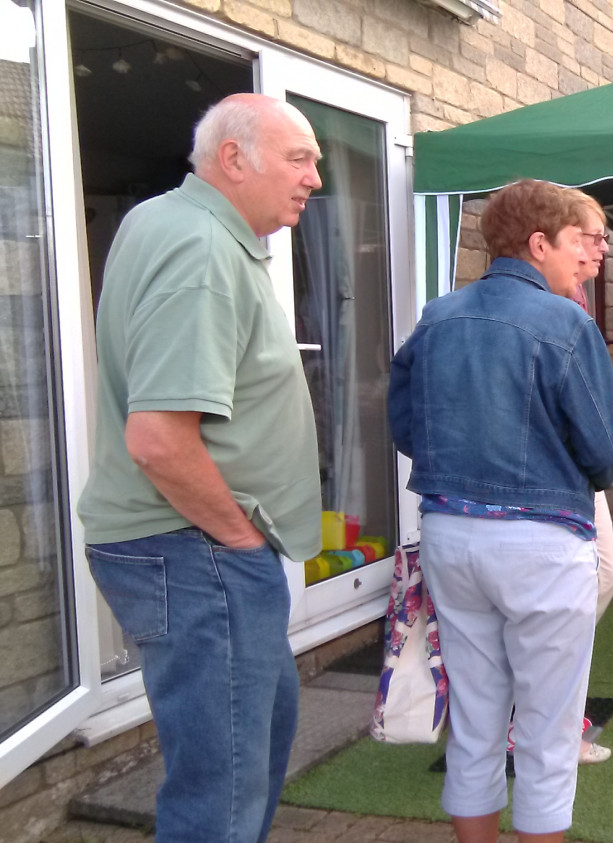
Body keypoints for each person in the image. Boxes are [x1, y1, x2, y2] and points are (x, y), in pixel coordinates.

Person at [76, 94, 324, 843]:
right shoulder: (203, 248)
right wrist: (242, 544)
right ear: (233, 158)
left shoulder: (174, 223)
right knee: (222, 792)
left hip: (193, 550)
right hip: (196, 549)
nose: (314, 178)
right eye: (299, 158)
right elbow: (158, 437)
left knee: (246, 749)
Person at [389, 179, 613, 843]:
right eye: (574, 242)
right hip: (541, 540)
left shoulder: (437, 316)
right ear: (538, 243)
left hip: (449, 532)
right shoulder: (567, 323)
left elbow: (406, 428)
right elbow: (607, 458)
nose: (583, 253)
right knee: (549, 734)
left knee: (475, 721)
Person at [566, 199, 613, 765]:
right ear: (544, 240)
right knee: (581, 589)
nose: (603, 247)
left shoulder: (574, 299)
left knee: (600, 579)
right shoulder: (552, 308)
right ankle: (546, 714)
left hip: (568, 476)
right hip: (558, 480)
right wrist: (607, 418)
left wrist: (606, 397)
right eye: (591, 237)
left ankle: (542, 705)